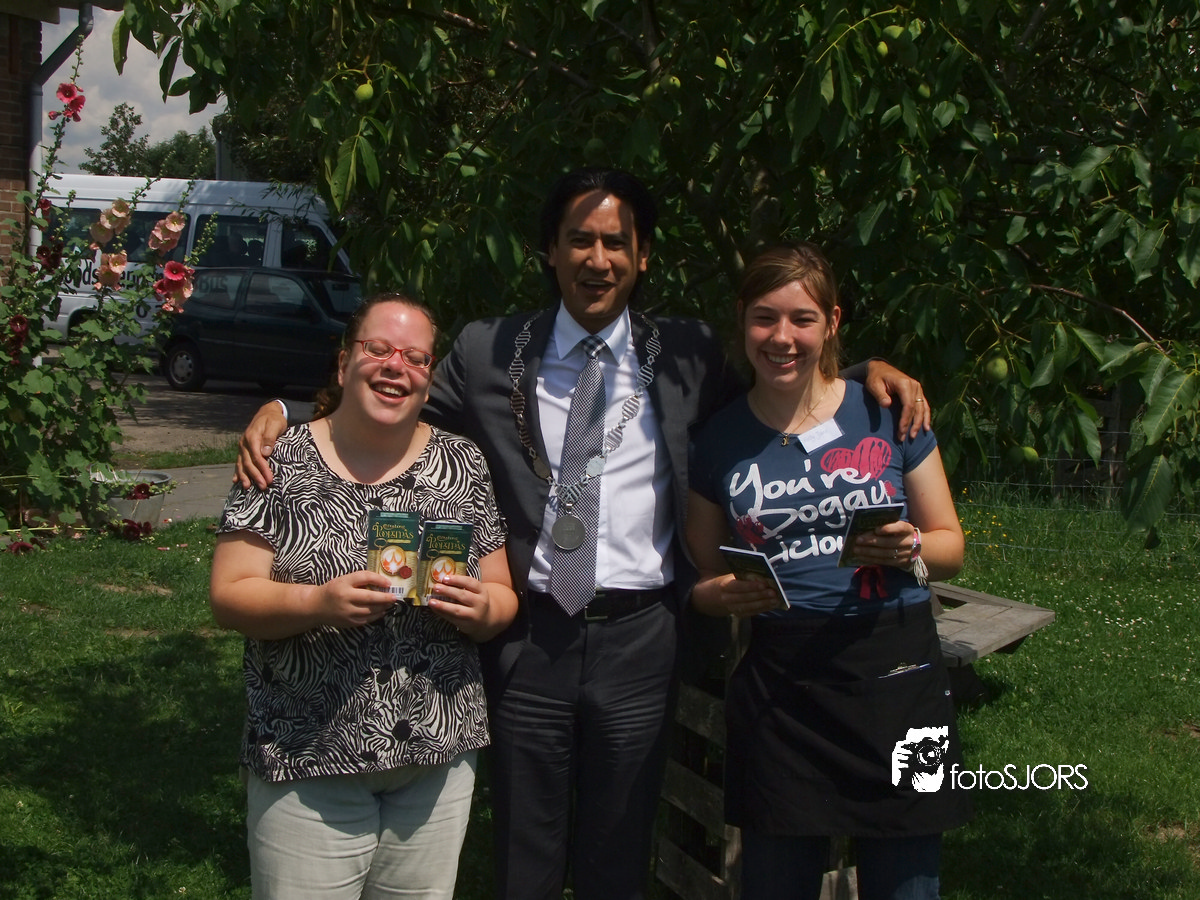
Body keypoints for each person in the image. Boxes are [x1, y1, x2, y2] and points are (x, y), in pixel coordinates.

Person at [234, 169, 930, 900]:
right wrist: (289, 409)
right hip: (530, 639)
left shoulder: (687, 353)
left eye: (616, 242)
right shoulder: (488, 350)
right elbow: (390, 396)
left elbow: (779, 394)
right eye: (580, 240)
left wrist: (863, 374)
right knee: (524, 859)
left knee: (617, 857)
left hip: (642, 640)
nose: (598, 259)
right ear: (550, 251)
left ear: (643, 255)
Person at [686, 243, 971, 900]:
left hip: (900, 676)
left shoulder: (890, 412)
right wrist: (717, 596)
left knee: (908, 887)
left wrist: (910, 548)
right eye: (764, 317)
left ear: (833, 321)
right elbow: (702, 577)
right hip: (783, 691)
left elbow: (951, 545)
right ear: (741, 319)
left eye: (802, 319)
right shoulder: (717, 439)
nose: (782, 337)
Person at [211, 293, 518, 900]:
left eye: (415, 357)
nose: (395, 365)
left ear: (429, 377)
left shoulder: (462, 464)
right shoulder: (281, 460)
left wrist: (484, 610)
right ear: (344, 362)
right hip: (308, 757)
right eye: (377, 348)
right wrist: (317, 604)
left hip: (435, 761)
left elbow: (503, 593)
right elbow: (228, 595)